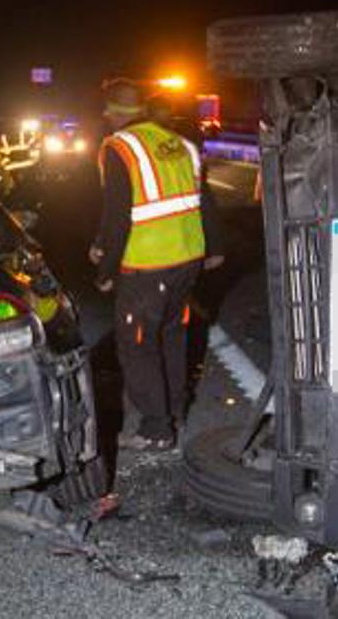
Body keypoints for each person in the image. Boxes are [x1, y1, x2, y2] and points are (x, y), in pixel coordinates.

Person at [91, 78, 223, 451]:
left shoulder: (120, 147)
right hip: (186, 261)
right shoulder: (180, 144)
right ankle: (175, 410)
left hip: (148, 264)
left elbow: (118, 212)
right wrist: (215, 246)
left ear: (113, 112)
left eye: (106, 109)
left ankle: (156, 429)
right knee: (170, 335)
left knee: (137, 345)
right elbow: (203, 199)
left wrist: (106, 271)